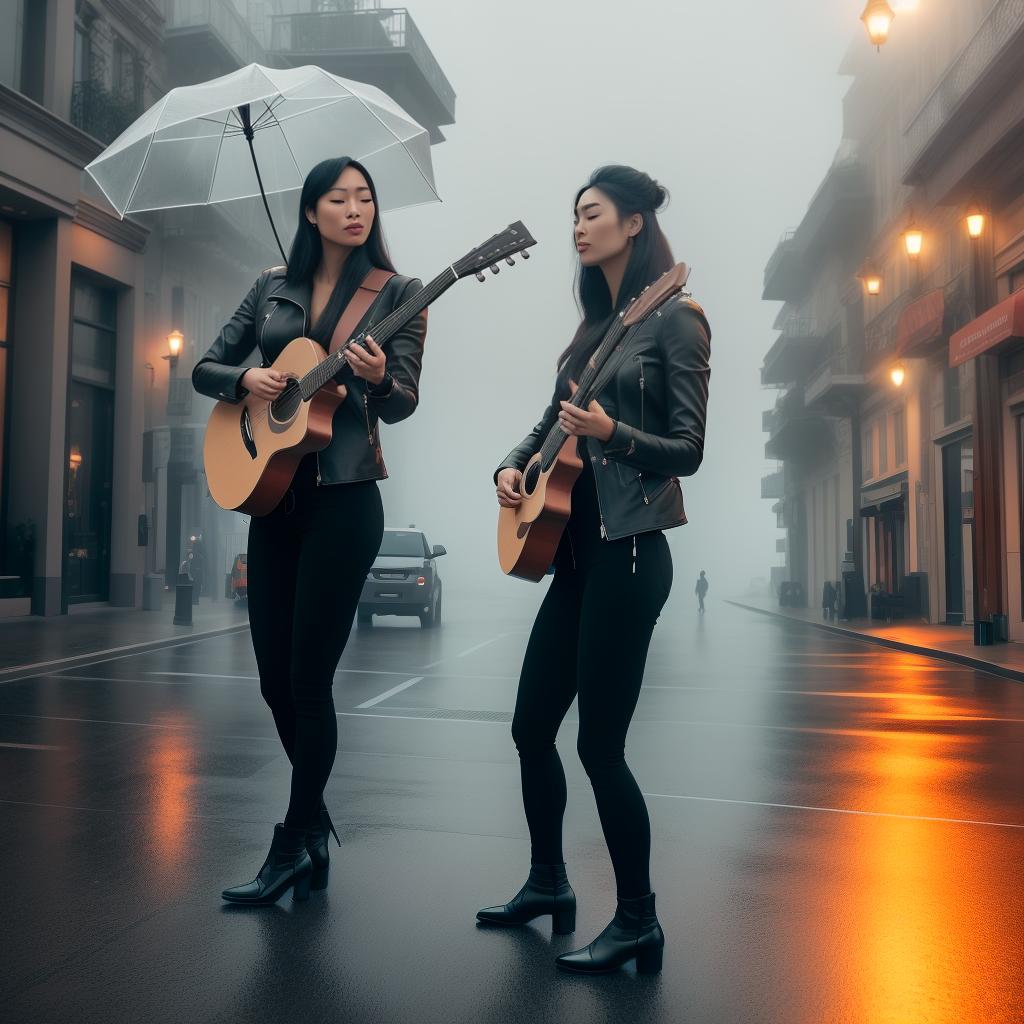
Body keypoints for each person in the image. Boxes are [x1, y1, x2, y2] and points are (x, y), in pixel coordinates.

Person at [479, 165, 712, 974]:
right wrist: (511, 468)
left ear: (635, 223)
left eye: (593, 214)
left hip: (633, 551)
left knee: (600, 748)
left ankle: (639, 918)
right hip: (574, 560)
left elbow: (689, 448)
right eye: (574, 216)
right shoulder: (591, 333)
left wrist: (613, 431)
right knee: (528, 728)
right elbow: (549, 425)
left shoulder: (676, 320)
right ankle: (548, 881)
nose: (579, 228)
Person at [192, 157, 427, 905]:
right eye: (339, 197)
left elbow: (403, 403)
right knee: (270, 679)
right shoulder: (271, 287)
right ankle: (313, 824)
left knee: (308, 679)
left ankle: (292, 842)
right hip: (274, 500)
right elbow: (204, 366)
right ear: (311, 211)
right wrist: (245, 381)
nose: (355, 208)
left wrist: (382, 375)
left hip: (346, 502)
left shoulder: (398, 293)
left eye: (365, 197)